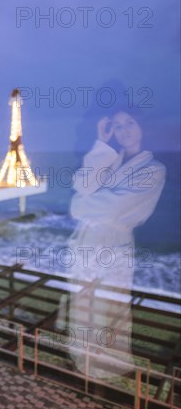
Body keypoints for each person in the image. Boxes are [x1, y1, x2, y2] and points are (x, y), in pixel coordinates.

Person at [55, 109, 166, 380]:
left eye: (130, 123)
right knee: (82, 304)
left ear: (143, 126)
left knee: (109, 305)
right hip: (86, 242)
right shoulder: (109, 160)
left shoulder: (153, 169)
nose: (123, 130)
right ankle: (80, 359)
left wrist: (81, 203)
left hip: (113, 244)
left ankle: (107, 368)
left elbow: (112, 207)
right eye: (116, 126)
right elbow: (81, 183)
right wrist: (102, 145)